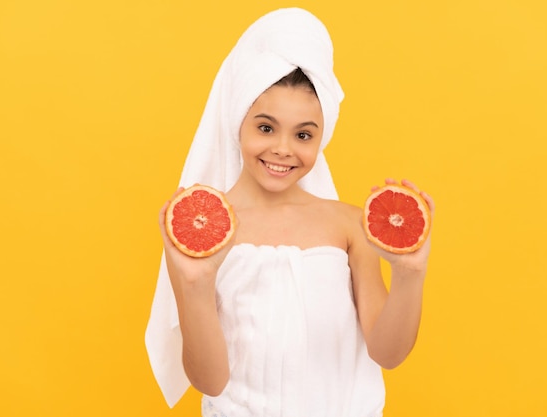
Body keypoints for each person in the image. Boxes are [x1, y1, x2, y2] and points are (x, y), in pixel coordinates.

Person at [145, 7, 434, 417]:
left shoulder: (348, 225)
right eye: (266, 127)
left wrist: (410, 275)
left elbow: (387, 354)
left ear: (322, 137)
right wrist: (194, 286)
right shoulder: (203, 230)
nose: (283, 148)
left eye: (303, 134)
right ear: (238, 122)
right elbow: (210, 382)